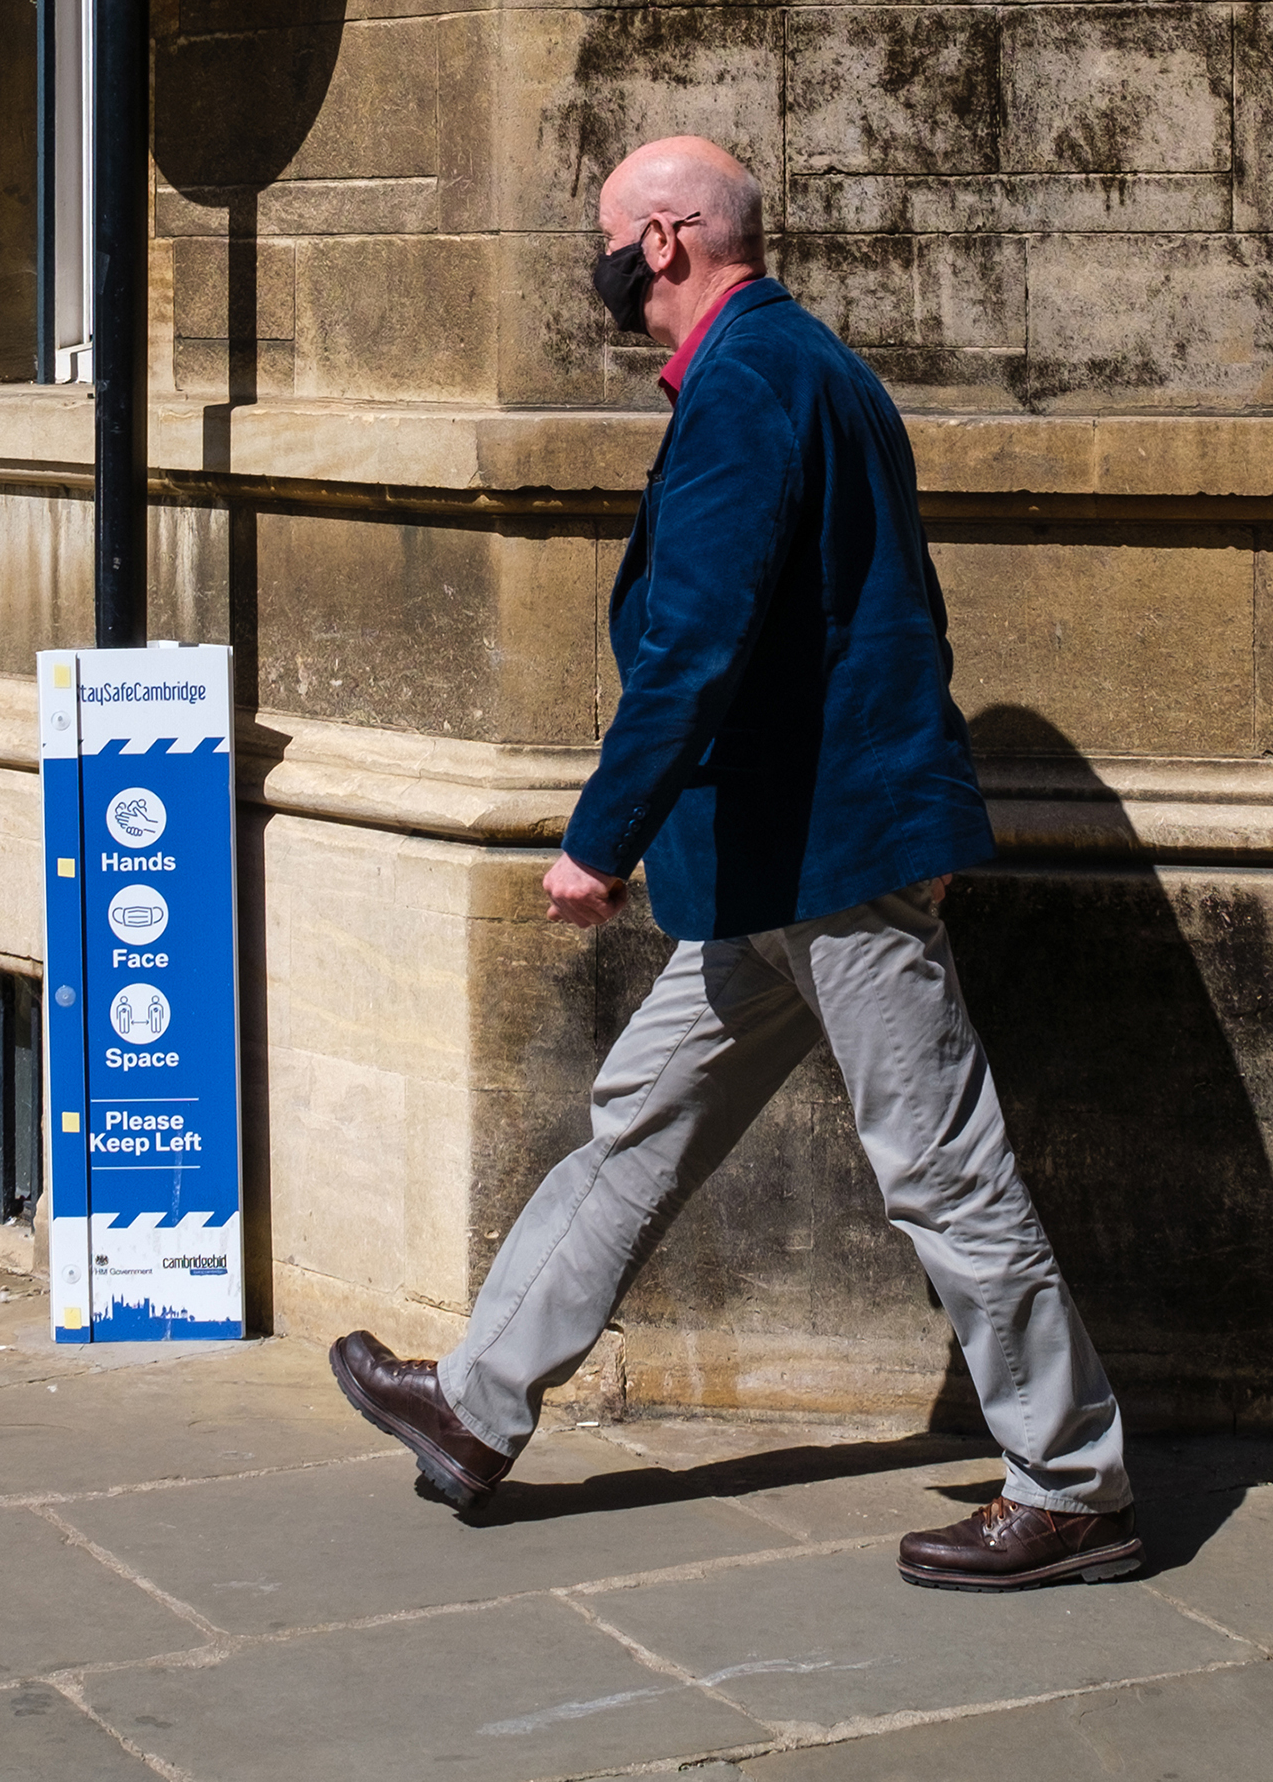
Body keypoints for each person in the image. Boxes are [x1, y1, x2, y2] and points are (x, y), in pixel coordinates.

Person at [328, 137, 1138, 1591]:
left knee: (943, 1171)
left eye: (605, 236)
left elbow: (697, 638)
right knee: (637, 1122)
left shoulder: (752, 383)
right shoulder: (799, 370)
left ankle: (1073, 1482)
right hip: (780, 862)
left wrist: (599, 836)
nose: (599, 262)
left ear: (662, 239)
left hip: (827, 859)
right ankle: (477, 1400)